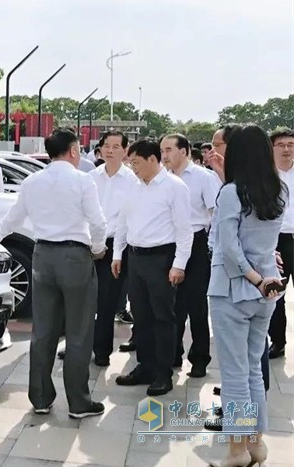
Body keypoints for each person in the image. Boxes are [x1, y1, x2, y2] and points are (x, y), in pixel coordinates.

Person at [0, 128, 107, 419]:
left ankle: (40, 398)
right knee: (78, 330)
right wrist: (98, 249)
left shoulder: (33, 181)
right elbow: (98, 223)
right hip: (75, 255)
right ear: (74, 151)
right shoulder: (83, 180)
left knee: (43, 330)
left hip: (43, 256)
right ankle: (78, 402)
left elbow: (14, 217)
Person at [206, 125, 287, 467]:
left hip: (234, 290)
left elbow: (230, 248)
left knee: (236, 374)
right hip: (268, 288)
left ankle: (237, 451)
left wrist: (253, 278)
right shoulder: (278, 189)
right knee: (253, 368)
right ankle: (256, 444)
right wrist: (263, 279)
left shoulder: (231, 192)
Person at [112, 138, 192, 396]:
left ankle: (163, 373)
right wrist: (117, 255)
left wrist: (178, 265)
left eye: (136, 162)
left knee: (163, 318)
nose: (133, 168)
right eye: (130, 163)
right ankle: (144, 366)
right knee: (141, 316)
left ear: (153, 159)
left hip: (162, 259)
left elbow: (184, 231)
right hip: (135, 259)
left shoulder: (174, 187)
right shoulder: (132, 187)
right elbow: (122, 222)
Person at [160, 133, 221, 377]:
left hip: (196, 244)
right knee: (172, 304)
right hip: (169, 244)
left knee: (196, 304)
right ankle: (173, 353)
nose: (164, 156)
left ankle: (199, 359)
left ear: (184, 151)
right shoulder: (161, 179)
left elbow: (216, 214)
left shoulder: (204, 178)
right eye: (162, 151)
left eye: (169, 150)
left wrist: (212, 247)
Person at [88, 131, 138, 367]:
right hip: (88, 244)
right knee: (84, 300)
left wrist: (115, 249)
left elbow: (127, 220)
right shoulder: (90, 177)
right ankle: (80, 346)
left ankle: (101, 351)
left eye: (116, 146)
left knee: (107, 302)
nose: (109, 150)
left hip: (115, 246)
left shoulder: (132, 180)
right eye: (106, 145)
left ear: (125, 151)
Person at [267, 128, 294, 359]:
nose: (286, 149)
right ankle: (277, 341)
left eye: (291, 144)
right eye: (281, 145)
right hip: (275, 241)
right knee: (276, 293)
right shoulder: (266, 175)